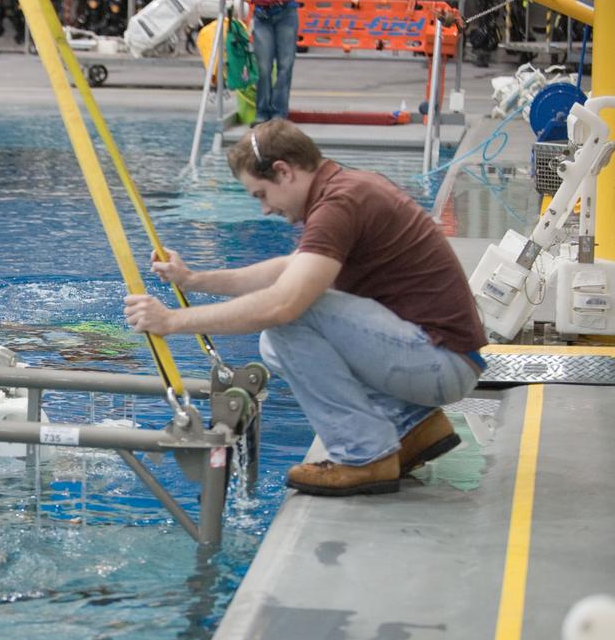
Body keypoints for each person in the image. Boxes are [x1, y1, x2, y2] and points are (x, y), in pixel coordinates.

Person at [123, 119, 487, 497]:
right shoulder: (345, 189)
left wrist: (171, 321)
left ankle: (364, 455)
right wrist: (194, 279)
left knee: (291, 317)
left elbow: (283, 303)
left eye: (262, 194)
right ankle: (413, 426)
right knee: (275, 340)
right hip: (442, 358)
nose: (265, 209)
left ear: (283, 171)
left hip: (441, 363)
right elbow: (288, 268)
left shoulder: (340, 203)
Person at [223, 0, 303, 124]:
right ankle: (262, 112)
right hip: (262, 16)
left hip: (285, 14)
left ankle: (279, 112)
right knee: (263, 66)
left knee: (285, 65)